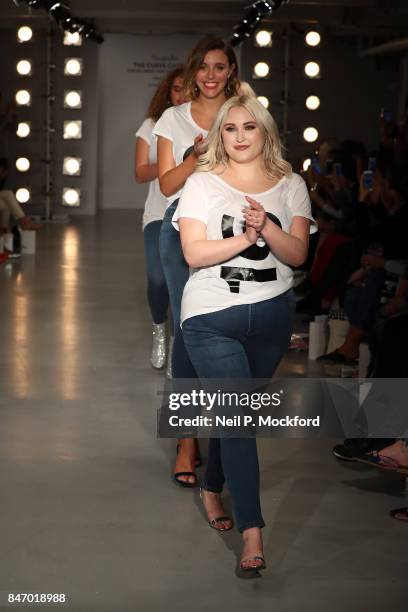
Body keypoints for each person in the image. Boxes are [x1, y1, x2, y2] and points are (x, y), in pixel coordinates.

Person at [177, 95, 316, 572]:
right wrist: (246, 236)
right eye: (230, 128)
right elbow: (194, 254)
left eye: (249, 127)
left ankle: (212, 487)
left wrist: (267, 228)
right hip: (211, 316)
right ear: (220, 135)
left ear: (266, 134)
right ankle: (253, 534)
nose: (239, 136)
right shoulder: (201, 183)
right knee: (239, 420)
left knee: (234, 416)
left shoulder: (292, 184)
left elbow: (297, 255)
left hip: (273, 318)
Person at [154, 36, 239, 486]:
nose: (210, 75)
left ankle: (228, 433)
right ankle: (186, 437)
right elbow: (167, 184)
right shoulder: (173, 117)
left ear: (231, 71)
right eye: (203, 67)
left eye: (219, 67)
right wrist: (194, 158)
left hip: (230, 231)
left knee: (225, 326)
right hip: (180, 227)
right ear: (192, 72)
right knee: (186, 327)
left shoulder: (242, 113)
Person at [134, 66, 185, 369]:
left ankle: (180, 347)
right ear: (167, 92)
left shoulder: (204, 124)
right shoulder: (152, 125)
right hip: (158, 212)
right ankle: (159, 327)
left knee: (187, 284)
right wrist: (175, 164)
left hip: (195, 213)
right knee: (157, 279)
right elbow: (140, 172)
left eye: (186, 88)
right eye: (176, 88)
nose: (181, 94)